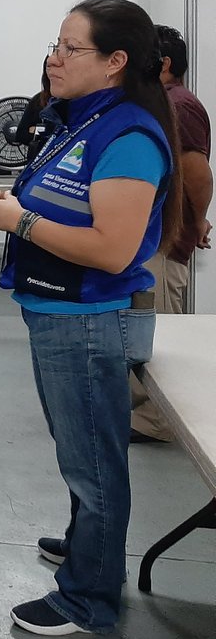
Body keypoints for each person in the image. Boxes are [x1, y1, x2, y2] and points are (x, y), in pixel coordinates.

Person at [0, 0, 180, 637]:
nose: (54, 59)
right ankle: (90, 550)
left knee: (93, 462)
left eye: (69, 48)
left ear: (114, 62)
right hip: (56, 310)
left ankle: (88, 597)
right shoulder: (81, 122)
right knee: (83, 455)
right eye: (55, 46)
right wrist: (2, 205)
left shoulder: (127, 135)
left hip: (88, 318)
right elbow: (57, 203)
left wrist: (14, 219)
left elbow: (111, 249)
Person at [130, 25, 212, 444]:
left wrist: (196, 221)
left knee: (159, 325)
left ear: (163, 64)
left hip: (164, 237)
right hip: (153, 235)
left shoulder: (178, 104)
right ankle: (144, 410)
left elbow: (196, 171)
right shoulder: (163, 102)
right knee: (146, 322)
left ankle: (158, 422)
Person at [11, 60, 55, 162]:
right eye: (49, 67)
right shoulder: (38, 100)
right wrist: (42, 131)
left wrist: (37, 129)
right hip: (38, 161)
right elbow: (21, 134)